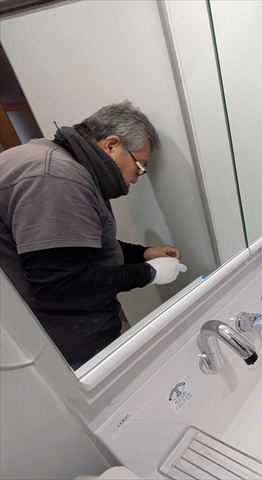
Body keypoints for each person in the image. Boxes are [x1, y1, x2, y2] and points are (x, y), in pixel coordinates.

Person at [0, 101, 187, 369]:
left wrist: (143, 253)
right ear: (111, 145)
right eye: (139, 167)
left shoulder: (59, 162)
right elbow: (58, 281)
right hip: (64, 345)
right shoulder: (56, 177)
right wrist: (148, 273)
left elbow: (77, 244)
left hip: (71, 331)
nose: (136, 179)